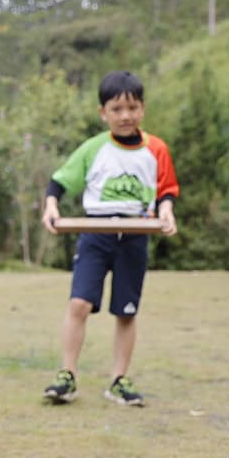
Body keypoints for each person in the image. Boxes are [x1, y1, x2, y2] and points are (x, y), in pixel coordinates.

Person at [38, 70, 179, 406]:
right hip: (95, 235)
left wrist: (166, 211)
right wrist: (51, 207)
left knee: (126, 311)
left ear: (142, 108)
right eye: (116, 109)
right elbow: (58, 184)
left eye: (132, 108)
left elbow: (166, 191)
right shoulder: (93, 148)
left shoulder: (156, 149)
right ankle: (67, 375)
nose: (125, 116)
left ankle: (118, 380)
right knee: (79, 303)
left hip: (136, 235)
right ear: (103, 112)